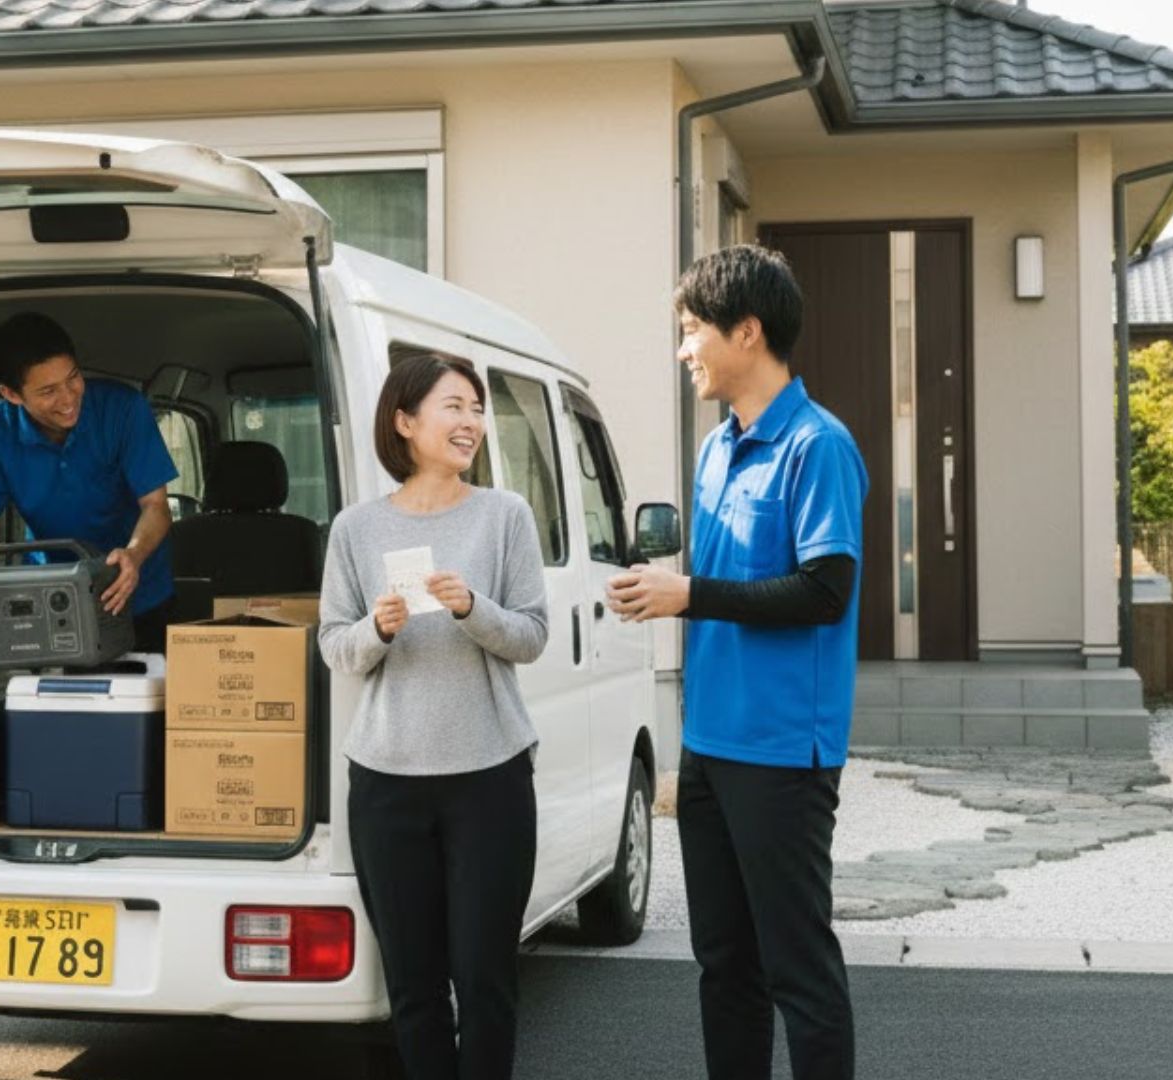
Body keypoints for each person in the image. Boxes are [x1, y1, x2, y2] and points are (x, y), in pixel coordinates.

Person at [606, 245, 867, 1080]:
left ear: (746, 332)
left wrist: (691, 595)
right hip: (711, 745)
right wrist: (666, 588)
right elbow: (714, 584)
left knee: (798, 969)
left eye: (693, 331)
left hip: (785, 749)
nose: (685, 349)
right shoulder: (719, 447)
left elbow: (824, 592)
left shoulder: (818, 446)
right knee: (723, 964)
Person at [318, 353, 550, 1080]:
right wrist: (378, 629)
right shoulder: (356, 530)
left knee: (485, 983)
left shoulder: (504, 515)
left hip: (489, 776)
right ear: (405, 421)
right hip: (386, 781)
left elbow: (533, 635)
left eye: (477, 409)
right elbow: (334, 647)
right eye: (455, 406)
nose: (472, 422)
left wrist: (470, 608)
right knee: (413, 989)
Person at [0, 312, 179, 653]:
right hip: (50, 599)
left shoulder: (123, 409)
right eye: (49, 391)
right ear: (11, 394)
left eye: (73, 378)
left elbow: (156, 506)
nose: (69, 399)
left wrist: (134, 554)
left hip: (138, 593)